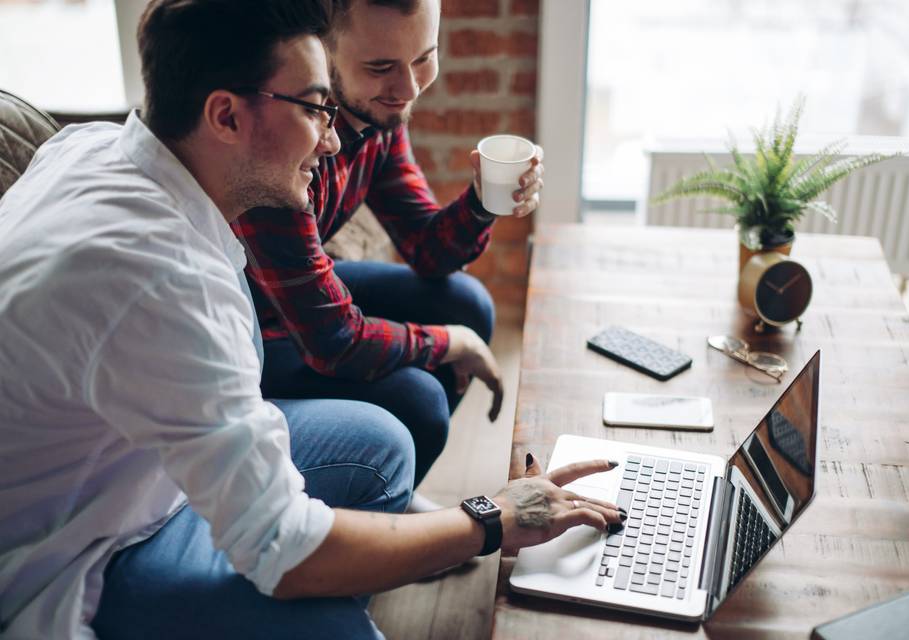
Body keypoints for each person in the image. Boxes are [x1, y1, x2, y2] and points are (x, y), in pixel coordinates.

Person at [0, 1, 617, 638]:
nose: (330, 138)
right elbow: (285, 549)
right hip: (79, 554)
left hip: (141, 468)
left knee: (383, 443)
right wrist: (491, 520)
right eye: (314, 107)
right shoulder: (165, 283)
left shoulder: (96, 145)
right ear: (226, 115)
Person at [231, 0, 545, 496]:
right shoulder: (283, 141)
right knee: (420, 397)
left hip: (295, 301)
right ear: (322, 47)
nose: (409, 88)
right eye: (380, 67)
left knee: (467, 302)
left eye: (424, 57)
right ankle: (369, 512)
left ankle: (392, 491)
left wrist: (485, 202)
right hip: (245, 329)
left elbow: (427, 249)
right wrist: (451, 343)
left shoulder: (378, 113)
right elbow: (333, 340)